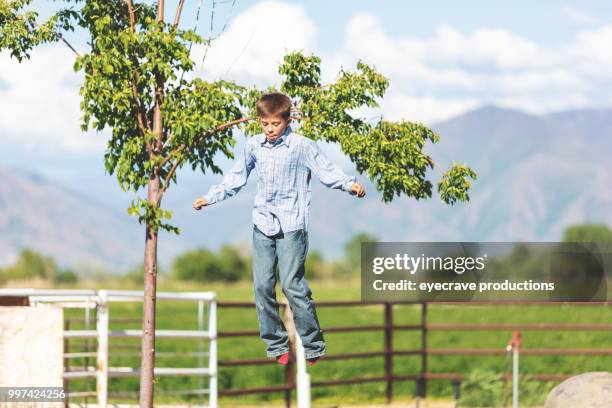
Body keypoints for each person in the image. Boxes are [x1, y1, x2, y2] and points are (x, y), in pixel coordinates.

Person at [192, 92, 365, 365]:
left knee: (292, 286)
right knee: (261, 286)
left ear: (287, 120)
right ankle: (275, 344)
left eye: (275, 124)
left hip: (292, 226)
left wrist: (349, 184)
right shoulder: (253, 146)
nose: (270, 129)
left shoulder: (302, 146)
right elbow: (236, 177)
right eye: (264, 124)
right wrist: (211, 197)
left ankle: (313, 343)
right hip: (263, 223)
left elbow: (326, 169)